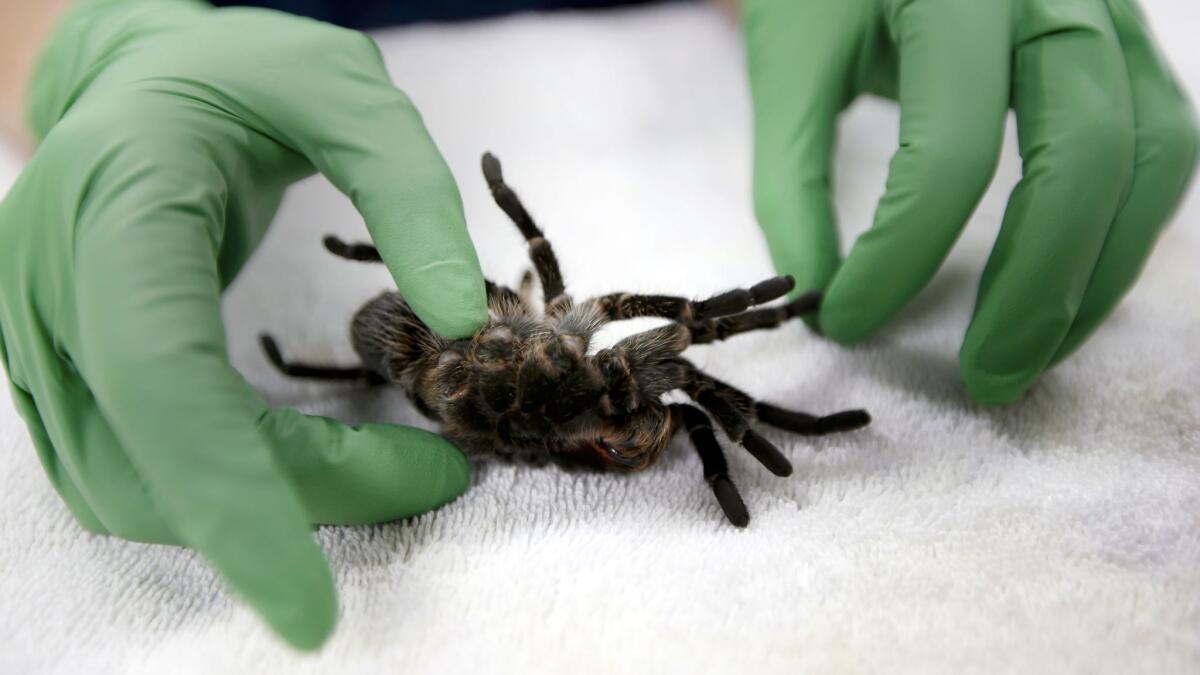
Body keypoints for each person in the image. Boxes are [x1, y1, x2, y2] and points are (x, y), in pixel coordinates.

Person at [0, 0, 1194, 651]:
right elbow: (594, 321)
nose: (638, 389)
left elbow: (637, 348)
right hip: (411, 328)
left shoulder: (539, 365)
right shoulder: (503, 353)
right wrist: (82, 39)